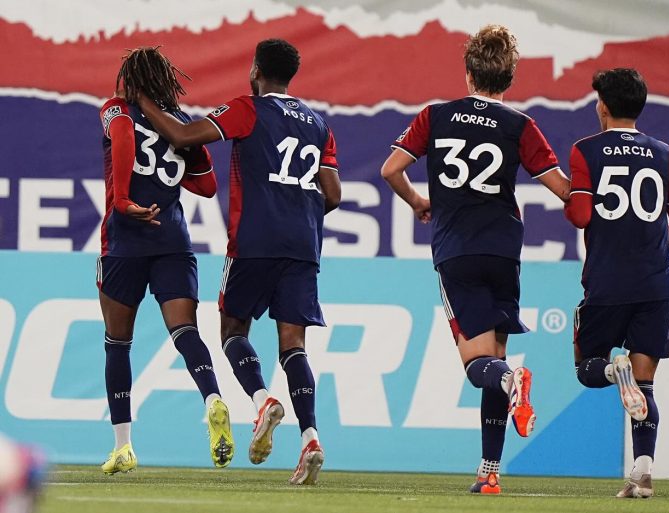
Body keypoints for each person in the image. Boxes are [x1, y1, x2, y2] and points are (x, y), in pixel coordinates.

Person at [137, 39, 341, 485]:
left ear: (256, 71)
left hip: (254, 242)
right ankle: (310, 437)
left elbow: (183, 135)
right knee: (294, 344)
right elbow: (334, 195)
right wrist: (296, 213)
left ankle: (262, 400)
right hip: (304, 245)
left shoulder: (249, 108)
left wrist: (144, 102)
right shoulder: (319, 124)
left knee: (232, 330)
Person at [381, 25, 571, 494]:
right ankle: (489, 473)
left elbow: (390, 170)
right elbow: (563, 190)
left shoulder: (436, 116)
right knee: (497, 358)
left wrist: (418, 202)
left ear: (467, 73)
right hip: (504, 250)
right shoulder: (521, 126)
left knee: (479, 366)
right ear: (509, 78)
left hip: (457, 251)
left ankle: (512, 382)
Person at [98, 47, 235, 474]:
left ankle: (123, 446)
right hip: (173, 240)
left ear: (129, 79)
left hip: (125, 242)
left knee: (118, 342)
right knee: (185, 331)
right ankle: (213, 399)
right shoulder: (177, 122)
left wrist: (123, 197)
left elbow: (122, 136)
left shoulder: (117, 109)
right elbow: (209, 185)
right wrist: (166, 177)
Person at [564, 68, 669, 498]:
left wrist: (576, 202)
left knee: (586, 367)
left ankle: (616, 372)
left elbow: (580, 215)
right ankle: (643, 473)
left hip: (607, 281)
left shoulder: (586, 151)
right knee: (647, 383)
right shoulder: (664, 152)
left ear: (602, 105)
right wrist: (649, 245)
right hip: (656, 282)